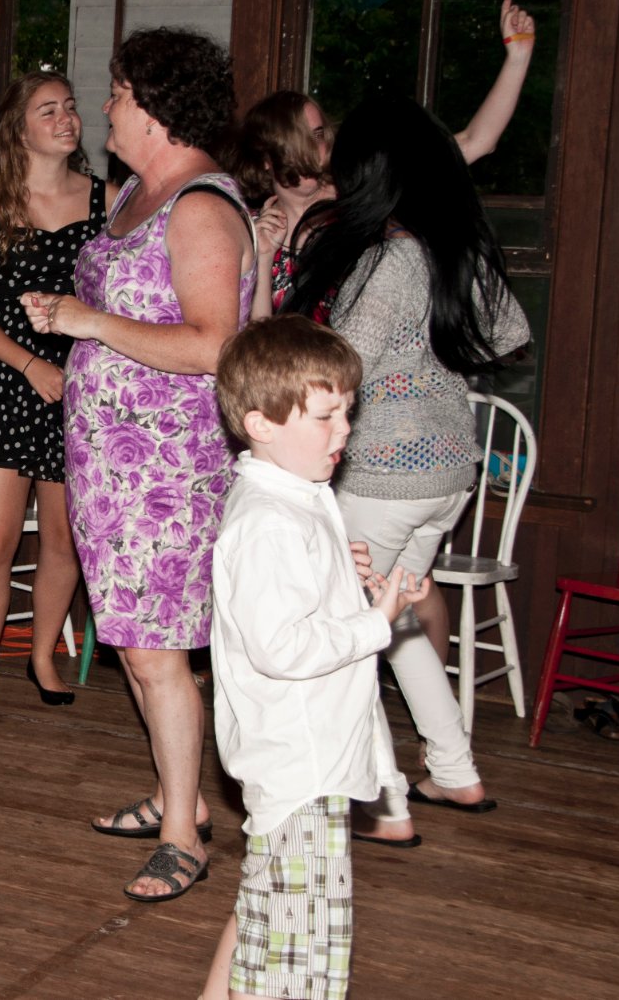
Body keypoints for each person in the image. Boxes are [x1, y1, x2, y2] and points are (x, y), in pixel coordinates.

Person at [22, 26, 255, 902]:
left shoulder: (198, 207)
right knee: (133, 640)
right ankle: (174, 793)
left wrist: (87, 322)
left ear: (154, 107)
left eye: (117, 93)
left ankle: (182, 839)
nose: (105, 108)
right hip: (113, 464)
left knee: (156, 651)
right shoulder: (134, 195)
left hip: (169, 469)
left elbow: (215, 345)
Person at [287, 92, 531, 843]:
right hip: (448, 472)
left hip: (383, 476)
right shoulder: (451, 246)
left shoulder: (393, 257)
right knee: (395, 622)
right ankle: (453, 770)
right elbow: (509, 335)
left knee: (348, 632)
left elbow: (341, 364)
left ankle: (384, 802)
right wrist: (427, 357)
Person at [201, 314, 429, 1000]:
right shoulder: (268, 521)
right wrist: (374, 623)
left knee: (270, 905)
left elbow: (302, 603)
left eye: (347, 412)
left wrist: (350, 577)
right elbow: (281, 647)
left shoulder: (298, 496)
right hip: (297, 757)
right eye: (325, 416)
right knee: (295, 959)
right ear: (261, 423)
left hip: (312, 753)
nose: (344, 430)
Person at [0, 71, 110, 724]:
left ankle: (42, 657)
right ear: (18, 127)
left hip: (77, 383)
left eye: (70, 107)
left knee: (62, 539)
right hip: (3, 382)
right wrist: (29, 364)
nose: (65, 118)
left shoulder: (106, 200)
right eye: (47, 110)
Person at [241, 0, 536, 323]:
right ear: (266, 159)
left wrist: (518, 57)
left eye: (320, 133)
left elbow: (475, 142)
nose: (319, 146)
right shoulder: (247, 228)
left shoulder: (360, 195)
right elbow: (249, 340)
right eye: (302, 139)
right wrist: (260, 254)